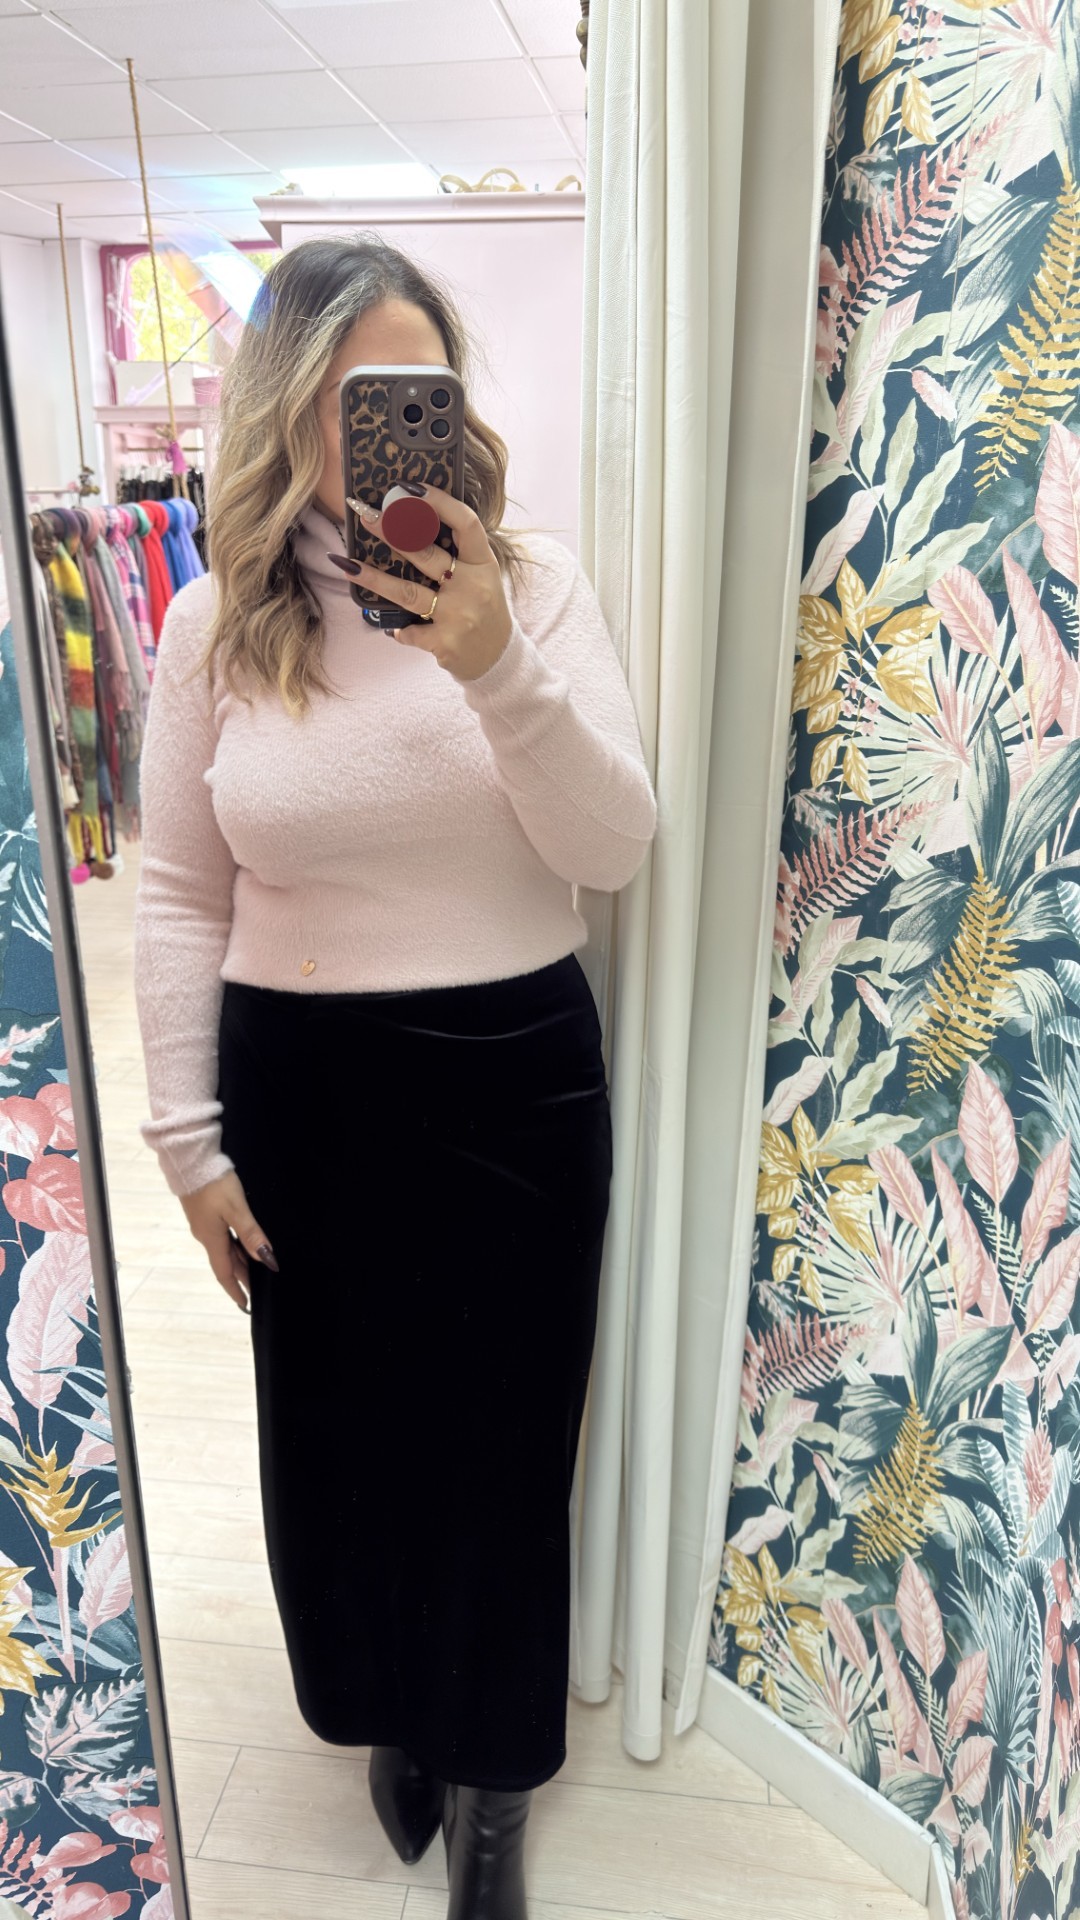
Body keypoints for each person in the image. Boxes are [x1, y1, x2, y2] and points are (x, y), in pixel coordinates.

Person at [132, 232, 657, 1920]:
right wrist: (189, 1143)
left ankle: (494, 1781)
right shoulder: (215, 622)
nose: (381, 434)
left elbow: (613, 847)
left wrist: (492, 658)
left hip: (512, 1083)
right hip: (301, 1093)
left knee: (500, 1454)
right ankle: (394, 1716)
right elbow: (175, 888)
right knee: (340, 1450)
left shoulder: (532, 588)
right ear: (286, 410)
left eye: (412, 392)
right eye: (349, 399)